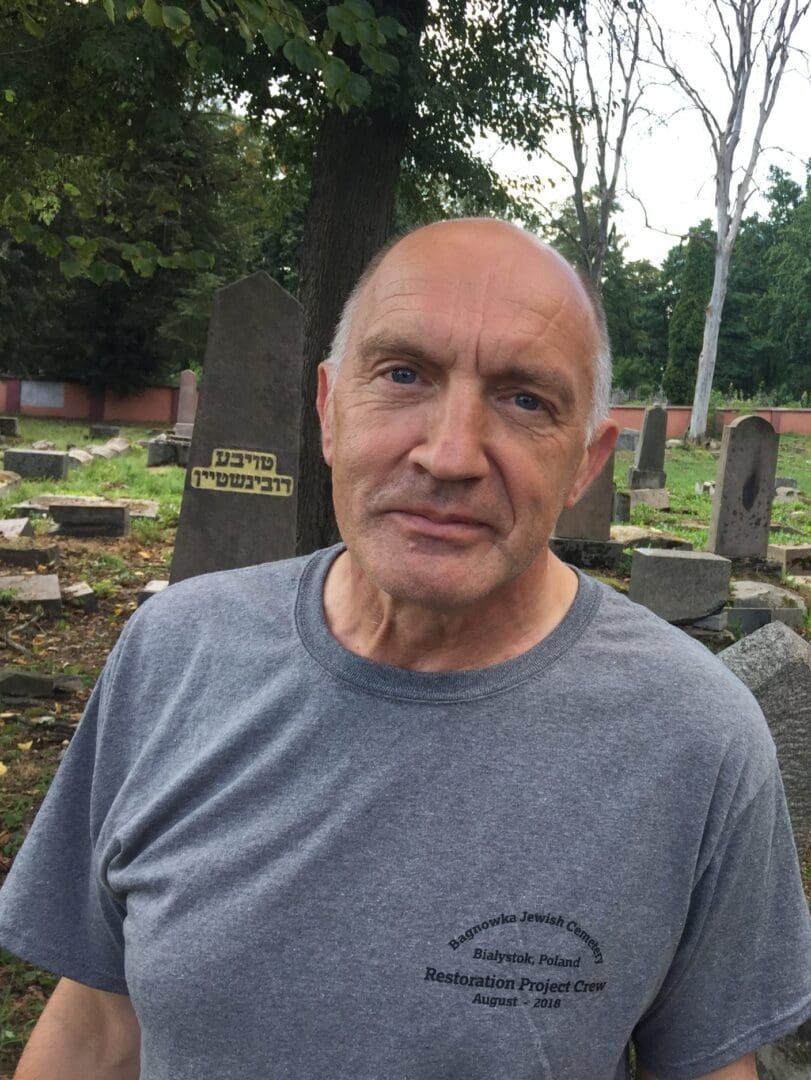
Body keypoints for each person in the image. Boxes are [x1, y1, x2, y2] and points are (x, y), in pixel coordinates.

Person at [0, 219, 809, 1080]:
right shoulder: (174, 654)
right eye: (401, 375)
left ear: (584, 463)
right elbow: (97, 1018)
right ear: (327, 409)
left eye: (525, 399)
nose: (450, 454)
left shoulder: (695, 736)